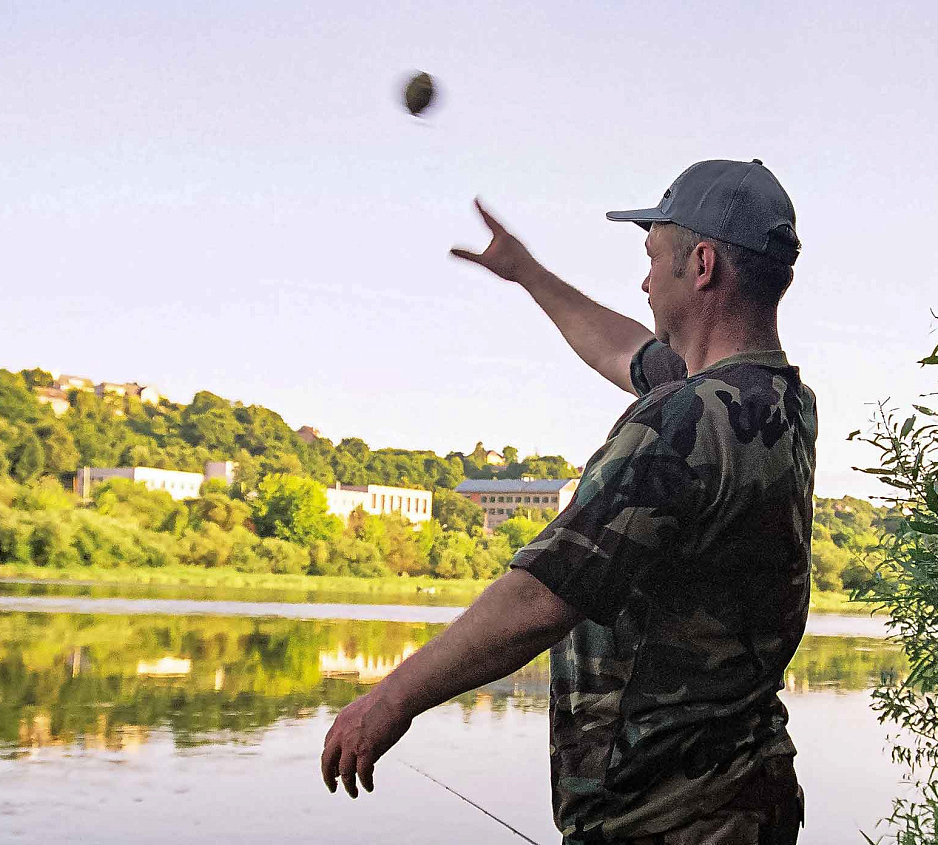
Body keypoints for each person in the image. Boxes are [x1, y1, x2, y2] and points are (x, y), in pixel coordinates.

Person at [320, 159, 816, 845]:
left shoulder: (685, 420)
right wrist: (527, 273)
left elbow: (541, 597)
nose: (644, 282)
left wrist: (389, 699)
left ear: (702, 265)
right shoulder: (778, 402)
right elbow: (622, 350)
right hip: (750, 800)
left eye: (654, 258)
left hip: (662, 819)